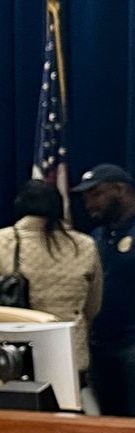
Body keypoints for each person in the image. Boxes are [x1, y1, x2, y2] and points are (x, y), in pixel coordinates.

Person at [0, 179, 101, 383]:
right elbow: (92, 307)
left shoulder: (3, 240)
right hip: (70, 351)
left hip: (17, 352)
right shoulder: (85, 245)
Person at [74, 164, 135, 415]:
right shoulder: (95, 237)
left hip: (132, 345)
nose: (89, 204)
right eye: (86, 197)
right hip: (100, 346)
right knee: (106, 421)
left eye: (96, 194)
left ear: (120, 189)